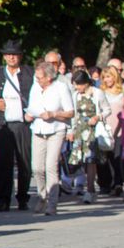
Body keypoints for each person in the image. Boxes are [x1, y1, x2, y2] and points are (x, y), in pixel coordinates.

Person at [26, 61, 75, 215]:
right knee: (37, 167)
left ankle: (52, 203)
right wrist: (29, 114)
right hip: (38, 129)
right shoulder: (35, 87)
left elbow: (70, 112)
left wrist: (53, 114)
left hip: (56, 129)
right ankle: (42, 196)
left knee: (50, 166)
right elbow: (31, 106)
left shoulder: (61, 87)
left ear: (48, 77)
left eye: (40, 77)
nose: (37, 80)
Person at [0, 40, 35, 211]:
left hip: (22, 123)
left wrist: (31, 112)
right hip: (3, 123)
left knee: (24, 162)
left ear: (20, 56)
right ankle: (3, 198)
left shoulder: (28, 73)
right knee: (4, 163)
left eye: (14, 54)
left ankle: (23, 197)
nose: (11, 57)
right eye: (8, 54)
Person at [67, 69, 110, 204]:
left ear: (85, 83)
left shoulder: (97, 94)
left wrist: (98, 117)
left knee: (91, 160)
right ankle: (82, 185)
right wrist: (71, 130)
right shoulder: (75, 96)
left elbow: (107, 109)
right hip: (80, 130)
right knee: (80, 161)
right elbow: (73, 114)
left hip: (92, 130)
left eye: (79, 84)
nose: (77, 87)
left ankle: (90, 190)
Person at [97, 65, 124, 195]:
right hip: (105, 127)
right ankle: (105, 183)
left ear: (114, 76)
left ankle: (118, 183)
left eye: (109, 76)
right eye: (104, 77)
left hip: (120, 127)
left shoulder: (123, 89)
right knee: (103, 158)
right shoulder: (100, 91)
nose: (107, 80)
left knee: (117, 157)